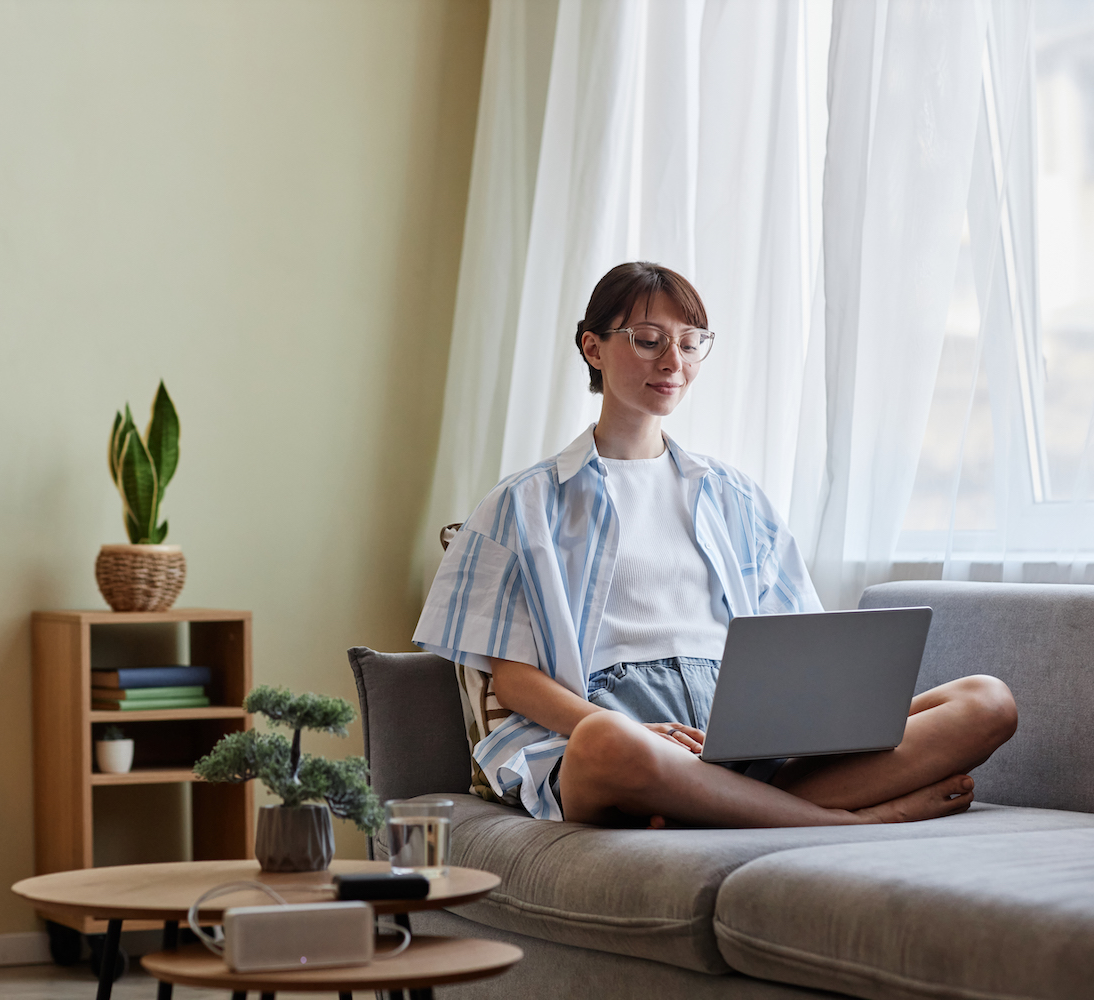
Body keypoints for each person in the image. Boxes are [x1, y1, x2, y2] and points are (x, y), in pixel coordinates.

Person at [415, 262, 1018, 827]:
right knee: (606, 744)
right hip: (618, 732)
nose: (672, 360)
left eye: (690, 341)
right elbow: (515, 681)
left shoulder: (735, 496)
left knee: (987, 702)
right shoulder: (522, 503)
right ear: (593, 347)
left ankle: (712, 810)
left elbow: (796, 641)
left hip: (745, 726)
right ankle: (840, 821)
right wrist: (639, 732)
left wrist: (808, 719)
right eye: (649, 339)